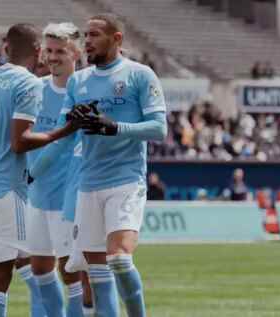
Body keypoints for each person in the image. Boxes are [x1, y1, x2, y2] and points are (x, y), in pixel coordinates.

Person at [0, 23, 79, 317]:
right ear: (38, 51)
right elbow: (20, 143)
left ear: (6, 48)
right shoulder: (30, 83)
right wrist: (64, 131)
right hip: (5, 187)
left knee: (9, 265)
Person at [65, 13, 167, 317]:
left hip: (126, 179)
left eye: (95, 35)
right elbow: (66, 129)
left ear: (117, 39)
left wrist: (116, 127)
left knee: (119, 259)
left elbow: (159, 129)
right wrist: (71, 121)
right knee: (97, 276)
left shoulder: (140, 75)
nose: (87, 42)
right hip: (88, 183)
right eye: (85, 36)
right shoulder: (78, 81)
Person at [25, 22, 94, 317]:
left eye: (60, 51)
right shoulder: (35, 89)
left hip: (69, 195)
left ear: (76, 52)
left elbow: (65, 145)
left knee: (72, 269)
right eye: (49, 50)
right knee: (39, 267)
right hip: (35, 193)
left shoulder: (87, 91)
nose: (52, 57)